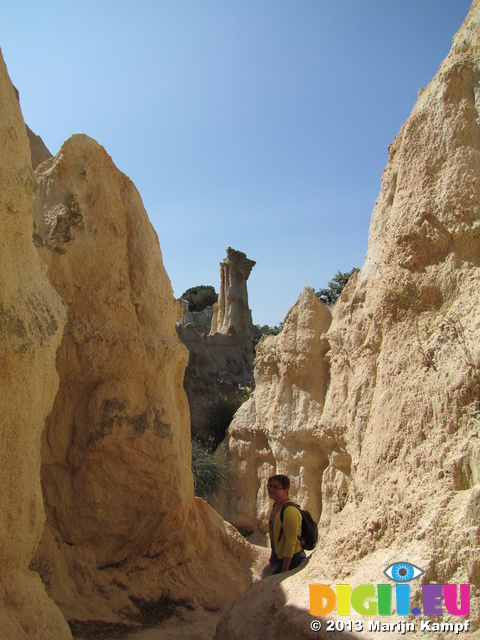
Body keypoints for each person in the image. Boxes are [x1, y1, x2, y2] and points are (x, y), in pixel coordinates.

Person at [267, 474, 306, 574]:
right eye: (270, 486)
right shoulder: (275, 506)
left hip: (292, 559)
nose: (271, 489)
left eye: (276, 487)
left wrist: (284, 569)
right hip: (279, 558)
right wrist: (273, 556)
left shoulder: (289, 510)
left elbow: (291, 541)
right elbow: (274, 534)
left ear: (285, 490)